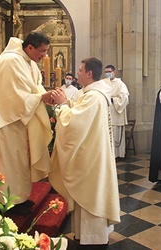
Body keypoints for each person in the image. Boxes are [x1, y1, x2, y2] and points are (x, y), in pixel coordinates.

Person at [0, 31, 53, 215]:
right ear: (29, 47)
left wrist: (44, 97)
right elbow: (13, 96)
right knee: (7, 164)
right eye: (42, 51)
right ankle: (1, 202)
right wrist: (41, 97)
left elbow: (33, 88)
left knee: (18, 163)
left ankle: (18, 198)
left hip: (18, 120)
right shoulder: (10, 61)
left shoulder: (27, 61)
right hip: (4, 122)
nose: (44, 55)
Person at [48, 57, 120, 249]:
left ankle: (94, 238)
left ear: (89, 73)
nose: (77, 73)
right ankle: (86, 234)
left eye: (80, 70)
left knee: (91, 193)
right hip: (92, 152)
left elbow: (74, 125)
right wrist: (67, 106)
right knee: (87, 194)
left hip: (91, 158)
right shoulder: (91, 94)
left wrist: (63, 105)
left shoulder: (93, 97)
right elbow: (80, 117)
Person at [104, 64, 130, 159]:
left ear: (114, 72)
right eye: (106, 72)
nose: (107, 74)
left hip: (116, 113)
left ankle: (117, 155)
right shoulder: (104, 84)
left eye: (109, 72)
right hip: (106, 114)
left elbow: (125, 99)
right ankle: (108, 155)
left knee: (116, 136)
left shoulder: (120, 84)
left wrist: (113, 100)